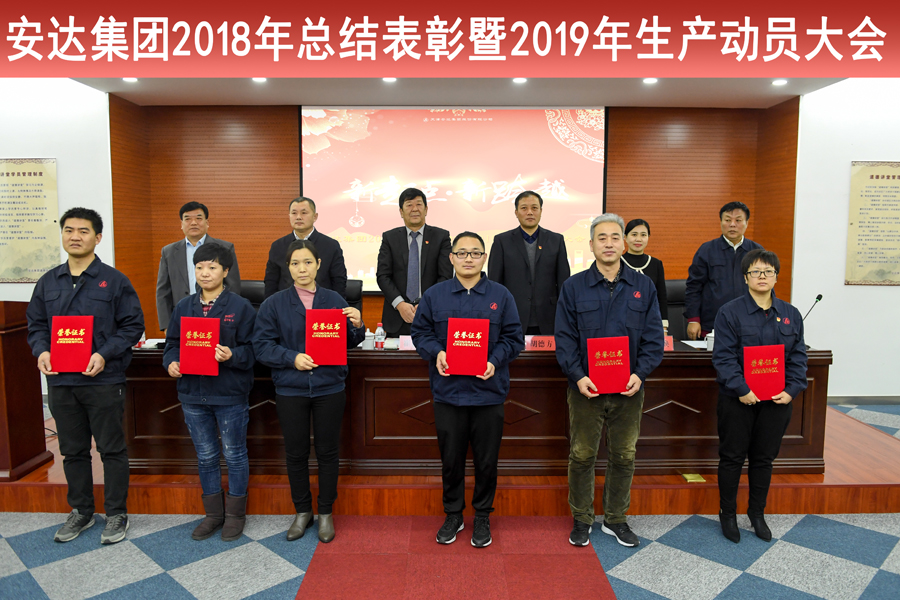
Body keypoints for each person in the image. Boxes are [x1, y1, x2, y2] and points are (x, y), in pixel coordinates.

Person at [26, 207, 144, 544]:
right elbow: (36, 325)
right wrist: (41, 351)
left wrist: (103, 354)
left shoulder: (115, 281)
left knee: (111, 449)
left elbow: (133, 326)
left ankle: (117, 513)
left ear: (98, 237)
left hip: (103, 380)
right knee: (73, 451)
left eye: (83, 231)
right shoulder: (48, 281)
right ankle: (81, 510)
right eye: (69, 230)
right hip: (61, 381)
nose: (75, 236)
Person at [555, 213, 664, 548]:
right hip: (585, 389)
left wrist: (639, 374)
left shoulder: (643, 287)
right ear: (591, 245)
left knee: (624, 455)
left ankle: (616, 519)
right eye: (601, 238)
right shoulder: (573, 287)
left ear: (624, 243)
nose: (609, 243)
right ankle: (582, 518)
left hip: (628, 389)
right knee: (582, 455)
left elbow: (653, 339)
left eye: (615, 237)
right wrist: (578, 376)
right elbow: (564, 339)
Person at [411, 231, 524, 548]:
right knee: (451, 459)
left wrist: (494, 360)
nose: (468, 258)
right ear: (452, 258)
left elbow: (514, 339)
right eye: (462, 253)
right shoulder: (435, 295)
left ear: (484, 257)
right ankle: (453, 514)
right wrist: (438, 352)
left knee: (487, 461)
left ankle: (483, 515)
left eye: (475, 253)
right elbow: (420, 333)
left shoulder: (501, 295)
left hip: (489, 392)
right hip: (449, 392)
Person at [253, 239, 365, 543]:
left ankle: (326, 511)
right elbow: (261, 346)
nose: (301, 269)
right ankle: (302, 511)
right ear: (288, 268)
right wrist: (291, 358)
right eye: (295, 264)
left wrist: (357, 324)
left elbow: (349, 342)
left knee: (328, 452)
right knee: (296, 452)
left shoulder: (334, 300)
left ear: (318, 265)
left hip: (329, 387)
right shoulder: (274, 303)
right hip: (291, 389)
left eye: (307, 262)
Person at [711, 249, 807, 544]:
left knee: (763, 459)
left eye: (768, 271)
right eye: (755, 271)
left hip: (777, 402)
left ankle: (757, 514)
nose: (762, 276)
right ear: (745, 277)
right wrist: (742, 390)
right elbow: (723, 357)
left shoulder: (790, 314)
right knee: (732, 458)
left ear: (776, 276)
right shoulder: (729, 312)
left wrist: (792, 390)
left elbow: (798, 358)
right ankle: (728, 514)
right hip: (737, 400)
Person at [163, 243, 257, 541]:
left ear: (225, 271)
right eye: (200, 267)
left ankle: (235, 515)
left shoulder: (241, 307)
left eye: (212, 267)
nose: (205, 273)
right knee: (205, 456)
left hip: (229, 394)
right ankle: (214, 515)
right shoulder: (183, 306)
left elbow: (255, 350)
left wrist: (233, 355)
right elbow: (171, 344)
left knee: (234, 454)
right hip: (193, 394)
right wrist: (171, 362)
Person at [487, 190, 570, 335]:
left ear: (541, 211)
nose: (530, 212)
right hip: (512, 315)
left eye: (534, 208)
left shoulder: (556, 240)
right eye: (524, 208)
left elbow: (563, 282)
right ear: (516, 212)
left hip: (549, 317)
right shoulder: (502, 241)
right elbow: (495, 282)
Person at [376, 187, 453, 337]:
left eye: (419, 204)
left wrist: (425, 303)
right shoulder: (390, 238)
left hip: (431, 315)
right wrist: (400, 304)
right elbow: (383, 276)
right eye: (409, 205)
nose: (415, 209)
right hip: (397, 316)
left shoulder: (441, 237)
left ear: (426, 209)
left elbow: (445, 276)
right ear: (401, 211)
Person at [156, 201, 241, 332]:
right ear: (181, 224)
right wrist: (167, 326)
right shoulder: (169, 252)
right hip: (181, 316)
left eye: (198, 218)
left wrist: (231, 319)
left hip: (217, 315)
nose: (193, 223)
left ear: (207, 223)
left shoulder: (224, 247)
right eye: (188, 219)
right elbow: (163, 291)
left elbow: (233, 285)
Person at [684, 201, 762, 340]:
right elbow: (694, 286)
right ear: (720, 222)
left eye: (738, 220)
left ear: (747, 223)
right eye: (727, 220)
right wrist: (693, 319)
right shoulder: (707, 250)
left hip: (750, 324)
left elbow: (766, 287)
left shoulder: (756, 251)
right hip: (712, 324)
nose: (732, 224)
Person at [264, 197, 348, 299]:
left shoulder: (331, 245)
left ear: (315, 217)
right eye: (294, 213)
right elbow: (271, 282)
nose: (298, 217)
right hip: (286, 304)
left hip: (322, 304)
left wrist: (337, 305)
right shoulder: (278, 246)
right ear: (289, 216)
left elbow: (339, 281)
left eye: (304, 213)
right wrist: (271, 305)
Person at [622, 219, 668, 334]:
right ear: (625, 237)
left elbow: (661, 297)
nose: (638, 239)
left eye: (643, 235)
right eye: (634, 234)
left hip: (650, 323)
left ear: (648, 237)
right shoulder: (617, 263)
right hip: (623, 324)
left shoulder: (656, 264)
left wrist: (664, 327)